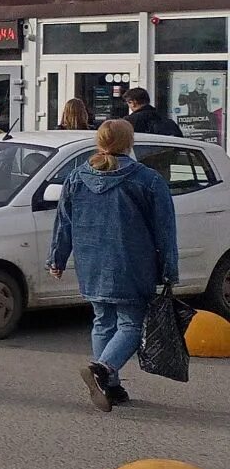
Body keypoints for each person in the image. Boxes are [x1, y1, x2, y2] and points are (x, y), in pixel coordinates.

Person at [47, 119, 179, 411]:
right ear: (129, 143)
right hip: (133, 262)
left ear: (99, 142)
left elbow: (64, 222)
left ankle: (111, 386)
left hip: (91, 261)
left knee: (103, 320)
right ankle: (104, 370)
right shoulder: (147, 179)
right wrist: (170, 267)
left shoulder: (77, 177)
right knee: (131, 324)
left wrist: (57, 258)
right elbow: (165, 228)